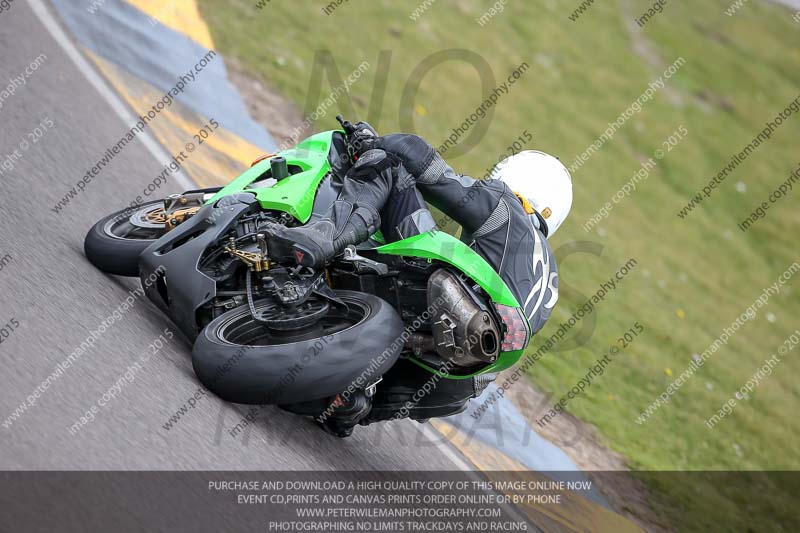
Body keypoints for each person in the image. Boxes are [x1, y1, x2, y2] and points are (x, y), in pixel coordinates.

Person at [266, 124, 572, 338]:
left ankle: (324, 238)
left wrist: (374, 144)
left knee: (390, 165)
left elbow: (430, 170)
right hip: (461, 379)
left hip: (442, 304)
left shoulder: (505, 206)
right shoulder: (550, 286)